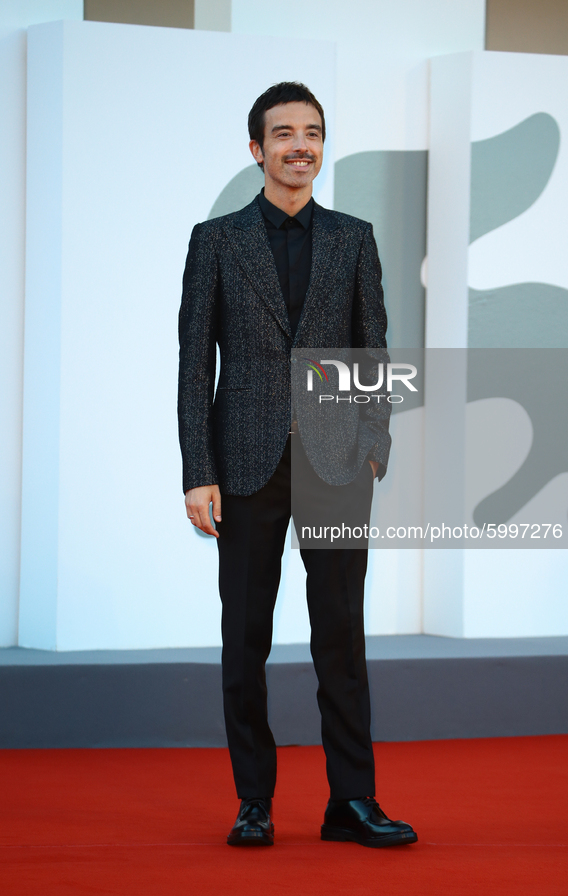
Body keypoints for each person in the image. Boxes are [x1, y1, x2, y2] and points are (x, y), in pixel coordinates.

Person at [178, 82, 417, 849]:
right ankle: (253, 801)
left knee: (340, 635)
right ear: (257, 149)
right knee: (245, 636)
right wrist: (197, 470)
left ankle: (351, 800)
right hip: (243, 466)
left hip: (336, 463)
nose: (299, 144)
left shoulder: (353, 238)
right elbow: (194, 365)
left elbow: (371, 348)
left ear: (321, 145)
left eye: (311, 131)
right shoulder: (216, 241)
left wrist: (374, 445)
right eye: (283, 133)